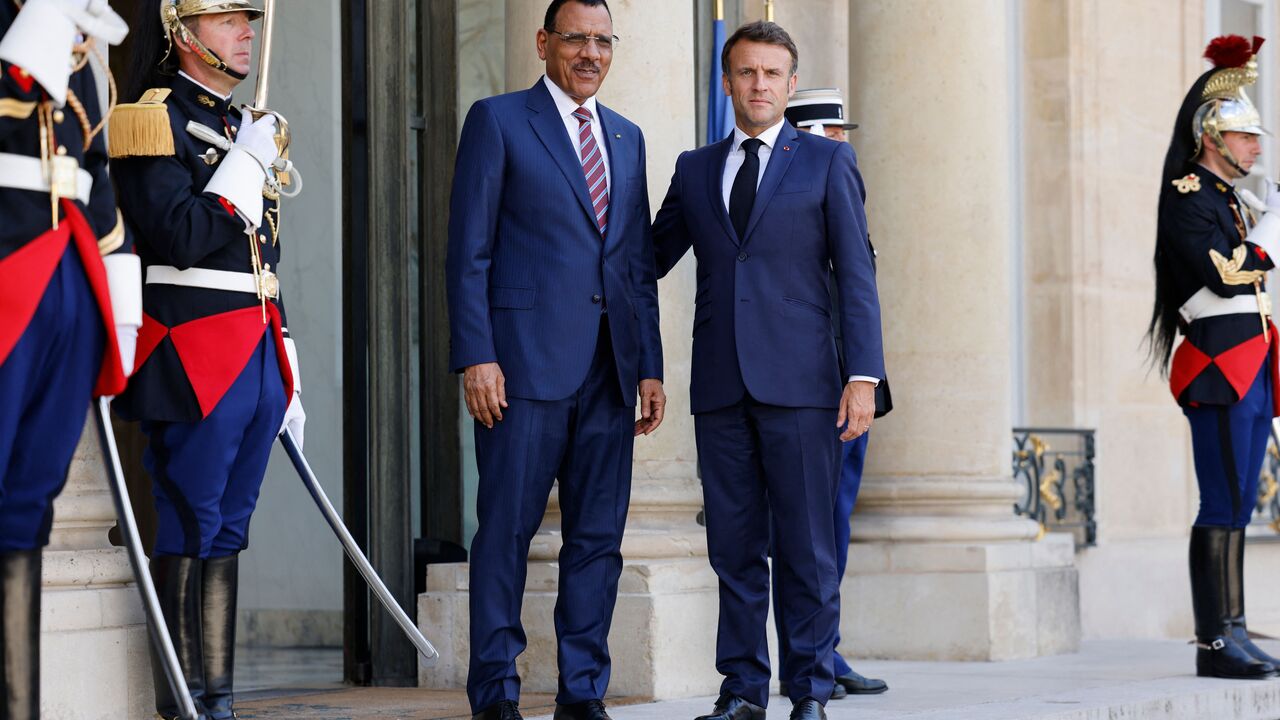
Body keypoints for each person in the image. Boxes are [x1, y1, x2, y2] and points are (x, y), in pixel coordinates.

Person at [652, 21, 884, 720]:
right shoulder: (695, 168)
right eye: (747, 72)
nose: (759, 85)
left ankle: (809, 689)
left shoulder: (827, 162)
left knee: (808, 547)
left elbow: (857, 275)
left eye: (772, 73)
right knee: (734, 548)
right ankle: (743, 690)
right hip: (721, 387)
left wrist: (863, 376)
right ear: (728, 82)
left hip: (805, 388)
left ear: (790, 83)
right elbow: (644, 258)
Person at [446, 0, 664, 717]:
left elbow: (634, 265)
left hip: (610, 373)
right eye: (576, 39)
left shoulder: (627, 137)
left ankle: (582, 694)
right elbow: (468, 252)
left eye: (603, 41)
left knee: (598, 541)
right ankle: (495, 693)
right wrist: (477, 355)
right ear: (544, 42)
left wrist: (649, 365)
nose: (591, 53)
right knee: (506, 534)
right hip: (520, 371)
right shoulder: (499, 121)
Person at [109, 1, 305, 717]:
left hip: (255, 346)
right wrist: (246, 162)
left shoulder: (241, 123)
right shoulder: (152, 119)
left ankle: (217, 697)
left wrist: (285, 353)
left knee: (230, 527)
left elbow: (264, 260)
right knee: (191, 518)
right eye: (227, 20)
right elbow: (183, 237)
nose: (246, 32)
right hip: (192, 348)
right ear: (183, 34)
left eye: (248, 20)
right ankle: (183, 701)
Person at [0, 1, 136, 717]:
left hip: (69, 287)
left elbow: (96, 179)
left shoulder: (81, 49)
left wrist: (121, 303)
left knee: (28, 509)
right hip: (7, 281)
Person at [1147, 34, 1280, 681]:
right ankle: (1215, 644)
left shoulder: (1227, 197)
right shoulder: (1189, 194)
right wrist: (1271, 233)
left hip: (1250, 364)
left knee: (1241, 503)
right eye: (1245, 136)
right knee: (1222, 502)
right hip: (1219, 367)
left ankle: (1235, 629)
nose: (1255, 147)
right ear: (1211, 137)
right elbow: (1224, 275)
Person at [769, 87, 889, 701]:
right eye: (831, 133)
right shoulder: (793, 194)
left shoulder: (839, 184)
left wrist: (863, 379)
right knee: (807, 532)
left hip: (849, 388)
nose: (843, 144)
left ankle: (825, 649)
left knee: (833, 526)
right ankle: (812, 656)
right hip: (811, 387)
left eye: (843, 133)